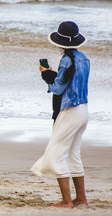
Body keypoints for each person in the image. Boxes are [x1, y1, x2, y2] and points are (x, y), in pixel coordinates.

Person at [31, 21, 90, 208]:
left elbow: (58, 89)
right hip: (83, 110)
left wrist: (47, 75)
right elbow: (71, 83)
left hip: (70, 111)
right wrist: (54, 76)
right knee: (73, 154)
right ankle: (81, 198)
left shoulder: (66, 60)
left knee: (55, 154)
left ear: (59, 43)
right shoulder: (84, 58)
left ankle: (66, 201)